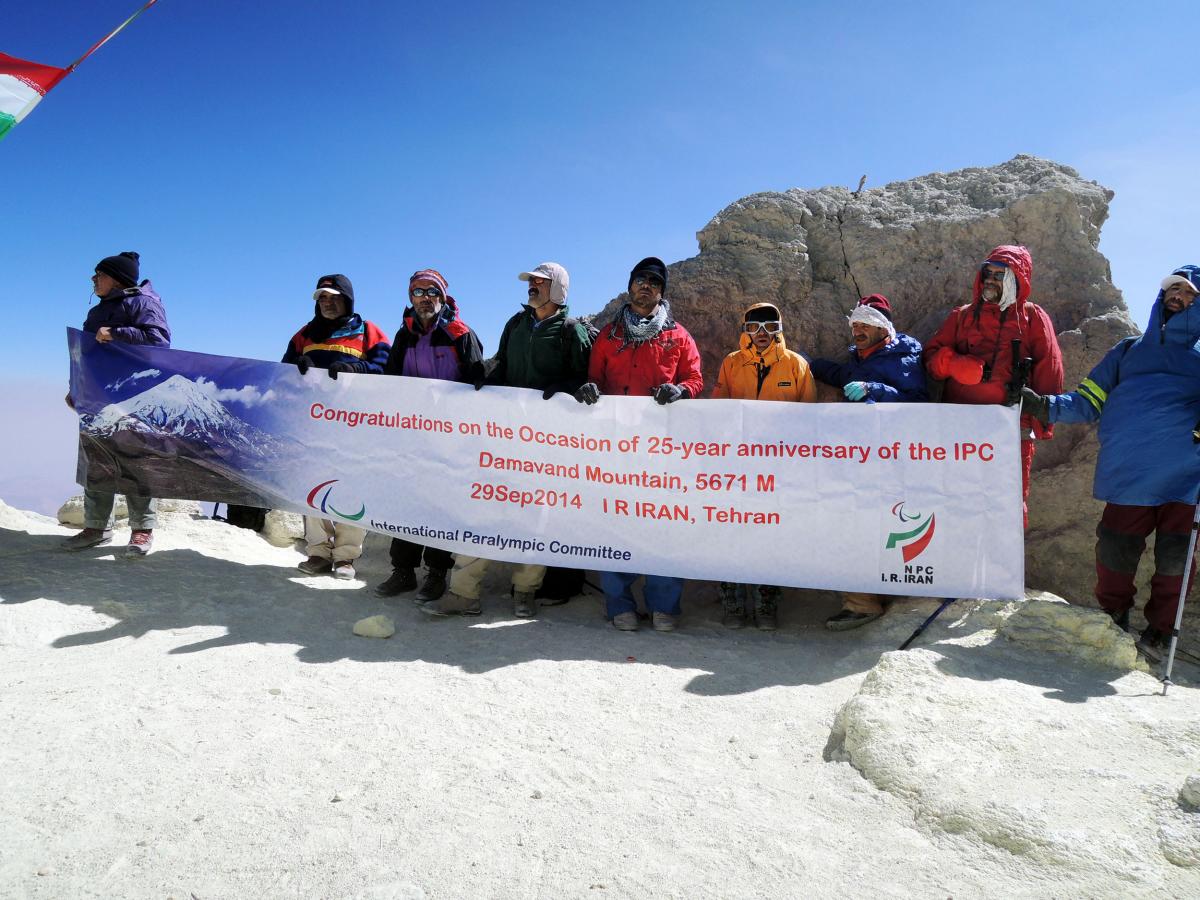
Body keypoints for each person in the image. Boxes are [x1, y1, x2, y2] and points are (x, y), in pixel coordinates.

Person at [1020, 266, 1200, 660]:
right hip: (1129, 472)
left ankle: (1159, 633)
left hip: (1188, 480)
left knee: (1176, 561)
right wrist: (1044, 406)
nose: (1178, 296)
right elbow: (1088, 401)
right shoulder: (1127, 350)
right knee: (1115, 553)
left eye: (1189, 293)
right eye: (1173, 289)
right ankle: (1113, 618)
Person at [423, 262, 592, 619]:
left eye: (540, 282)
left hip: (548, 445)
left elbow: (585, 380)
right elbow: (502, 362)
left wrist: (569, 387)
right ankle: (463, 592)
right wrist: (484, 373)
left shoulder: (572, 330)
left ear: (558, 289)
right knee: (482, 507)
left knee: (536, 516)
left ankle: (525, 591)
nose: (532, 286)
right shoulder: (515, 324)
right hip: (505, 438)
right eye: (530, 281)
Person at [575, 256, 703, 632]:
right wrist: (590, 390)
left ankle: (665, 605)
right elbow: (593, 378)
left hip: (661, 448)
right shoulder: (608, 335)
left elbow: (695, 378)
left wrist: (680, 390)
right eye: (639, 280)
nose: (645, 286)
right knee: (615, 521)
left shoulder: (678, 335)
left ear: (662, 291)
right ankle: (619, 605)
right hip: (615, 446)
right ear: (630, 286)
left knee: (663, 522)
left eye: (654, 282)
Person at [809, 294, 929, 630]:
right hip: (860, 457)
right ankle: (861, 601)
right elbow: (845, 376)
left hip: (892, 458)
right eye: (855, 323)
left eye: (866, 322)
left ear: (883, 326)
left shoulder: (903, 357)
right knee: (852, 523)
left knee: (876, 527)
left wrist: (875, 389)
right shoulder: (862, 357)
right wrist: (812, 364)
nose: (858, 328)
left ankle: (870, 602)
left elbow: (917, 401)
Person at [923, 245, 1063, 527]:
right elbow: (930, 357)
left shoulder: (1033, 317)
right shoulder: (962, 316)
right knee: (954, 504)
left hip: (1010, 433)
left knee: (1006, 510)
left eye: (1000, 274)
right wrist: (954, 365)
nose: (991, 279)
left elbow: (1050, 366)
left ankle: (1001, 571)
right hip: (959, 431)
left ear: (1017, 279)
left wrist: (1042, 418)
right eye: (988, 272)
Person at [376, 269, 484, 603]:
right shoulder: (404, 335)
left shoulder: (459, 334)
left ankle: (437, 573)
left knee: (441, 507)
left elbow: (478, 384)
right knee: (406, 504)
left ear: (442, 296)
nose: (425, 298)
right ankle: (403, 572)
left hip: (451, 442)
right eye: (418, 292)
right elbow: (389, 380)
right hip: (411, 440)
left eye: (431, 292)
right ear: (410, 298)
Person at [711, 301, 817, 629]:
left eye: (770, 327)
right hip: (737, 465)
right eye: (754, 327)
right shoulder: (732, 363)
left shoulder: (795, 365)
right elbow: (718, 409)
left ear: (780, 329)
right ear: (745, 330)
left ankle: (766, 604)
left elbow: (809, 416)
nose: (762, 334)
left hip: (778, 468)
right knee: (729, 529)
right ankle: (733, 602)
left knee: (770, 532)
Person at [63, 251, 171, 557]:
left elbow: (159, 341)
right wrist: (75, 387)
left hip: (135, 395)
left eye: (98, 274)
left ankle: (142, 531)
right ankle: (97, 527)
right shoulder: (98, 311)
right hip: (98, 395)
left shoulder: (144, 302)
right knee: (96, 461)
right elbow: (85, 353)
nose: (93, 279)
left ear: (116, 278)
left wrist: (116, 333)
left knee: (136, 462)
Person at [282, 274, 390, 580]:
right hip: (312, 423)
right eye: (322, 298)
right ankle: (317, 552)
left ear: (347, 299)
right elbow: (284, 369)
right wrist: (295, 367)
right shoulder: (304, 334)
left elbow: (387, 366)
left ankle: (345, 556)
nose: (327, 303)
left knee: (351, 486)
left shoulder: (368, 332)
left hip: (355, 424)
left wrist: (359, 368)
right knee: (312, 485)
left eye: (333, 297)